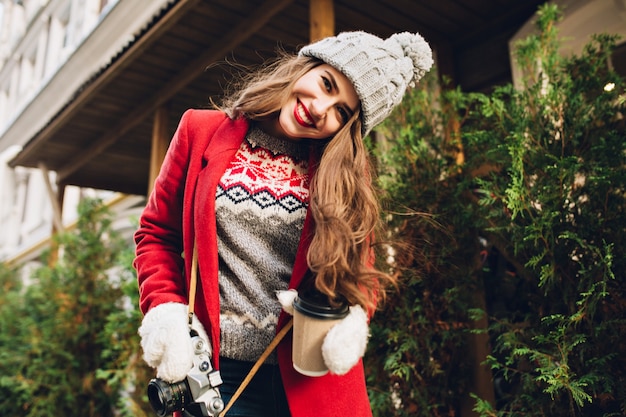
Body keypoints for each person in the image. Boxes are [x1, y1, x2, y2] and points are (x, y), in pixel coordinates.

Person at [134, 30, 433, 417]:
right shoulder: (199, 131)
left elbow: (362, 273)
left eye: (342, 111)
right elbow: (156, 235)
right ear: (305, 65)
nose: (321, 108)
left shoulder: (344, 176)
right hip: (214, 379)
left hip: (310, 386)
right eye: (326, 83)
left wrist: (351, 319)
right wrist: (166, 312)